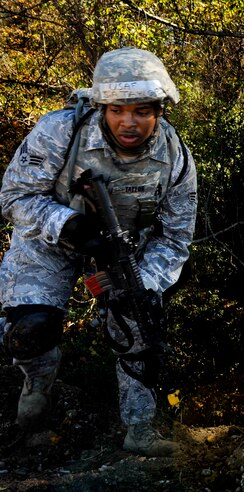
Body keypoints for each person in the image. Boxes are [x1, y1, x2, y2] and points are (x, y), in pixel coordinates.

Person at [0, 47, 197, 456]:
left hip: (122, 249)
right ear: (101, 106)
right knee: (32, 328)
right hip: (48, 240)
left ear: (160, 111)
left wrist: (148, 282)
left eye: (142, 110)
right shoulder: (60, 131)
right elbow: (15, 197)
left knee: (139, 325)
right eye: (118, 110)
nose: (129, 122)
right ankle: (37, 391)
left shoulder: (174, 156)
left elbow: (177, 235)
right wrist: (68, 224)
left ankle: (140, 429)